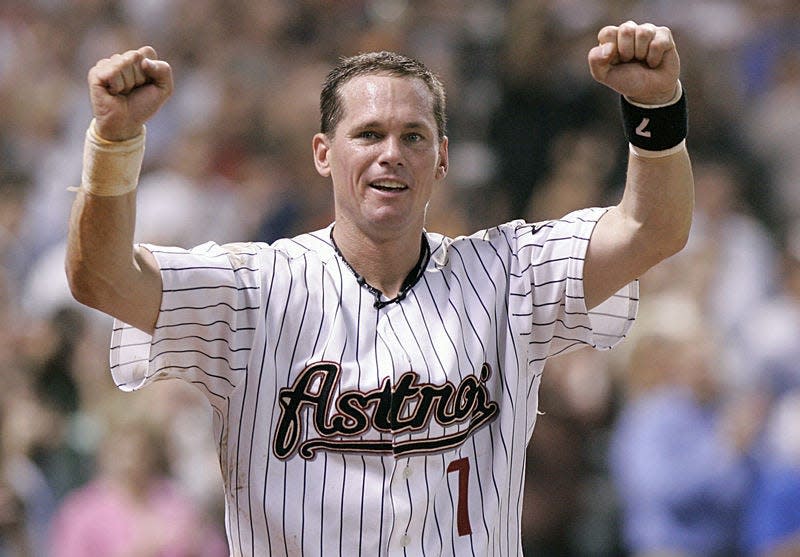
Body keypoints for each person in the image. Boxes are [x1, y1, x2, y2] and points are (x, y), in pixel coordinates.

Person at [65, 20, 693, 556]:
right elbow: (100, 277)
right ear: (322, 153)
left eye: (413, 137)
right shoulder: (252, 289)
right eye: (368, 134)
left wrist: (657, 110)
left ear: (441, 158)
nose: (391, 153)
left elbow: (651, 228)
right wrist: (114, 143)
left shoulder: (508, 273)